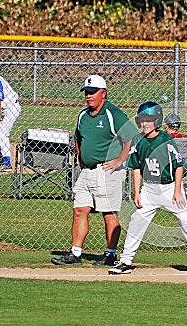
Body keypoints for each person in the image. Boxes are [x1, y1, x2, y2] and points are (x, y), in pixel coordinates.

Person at [108, 101, 187, 274]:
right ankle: (125, 261)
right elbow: (136, 167)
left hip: (169, 188)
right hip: (149, 189)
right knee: (137, 221)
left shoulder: (166, 140)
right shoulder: (138, 141)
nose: (145, 123)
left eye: (149, 120)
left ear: (158, 121)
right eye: (142, 120)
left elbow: (178, 166)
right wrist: (136, 193)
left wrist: (177, 191)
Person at [51, 75, 138, 266]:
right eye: (86, 93)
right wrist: (81, 159)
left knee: (109, 213)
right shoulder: (83, 115)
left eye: (92, 92)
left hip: (107, 170)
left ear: (103, 93)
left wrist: (120, 160)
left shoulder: (113, 113)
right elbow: (78, 138)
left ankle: (110, 254)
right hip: (87, 171)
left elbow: (131, 136)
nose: (88, 96)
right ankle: (75, 254)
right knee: (80, 209)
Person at [163, 112, 187, 201]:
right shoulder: (185, 137)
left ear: (165, 126)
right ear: (179, 127)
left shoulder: (163, 138)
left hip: (171, 166)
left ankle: (185, 191)